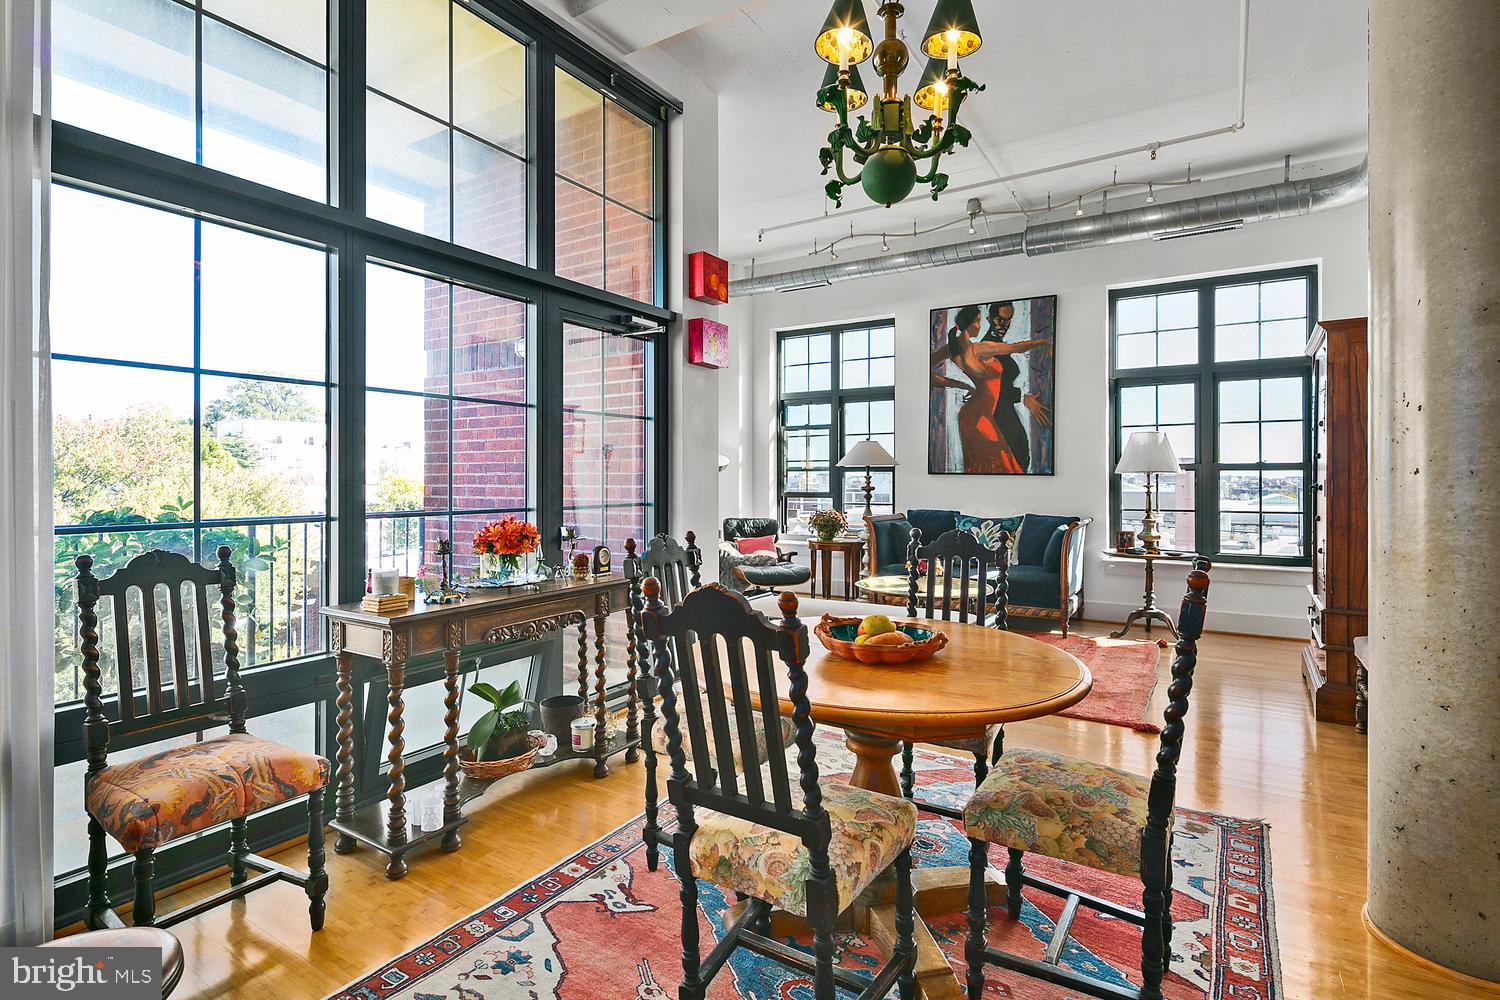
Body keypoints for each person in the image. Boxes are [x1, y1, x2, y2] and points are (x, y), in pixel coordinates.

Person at [930, 304, 1052, 474]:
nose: (980, 326)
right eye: (978, 321)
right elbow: (1014, 348)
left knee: (989, 465)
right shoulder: (978, 348)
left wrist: (963, 385)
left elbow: (926, 373)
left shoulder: (951, 349)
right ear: (970, 324)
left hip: (974, 414)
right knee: (1001, 464)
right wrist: (1042, 342)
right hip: (981, 416)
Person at [980, 301, 1053, 471]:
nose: (1004, 325)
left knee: (1017, 460)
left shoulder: (998, 346)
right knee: (1014, 460)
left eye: (1008, 319)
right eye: (1000, 319)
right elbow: (991, 388)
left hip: (1003, 412)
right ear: (989, 318)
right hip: (995, 414)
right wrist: (1023, 397)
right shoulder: (987, 347)